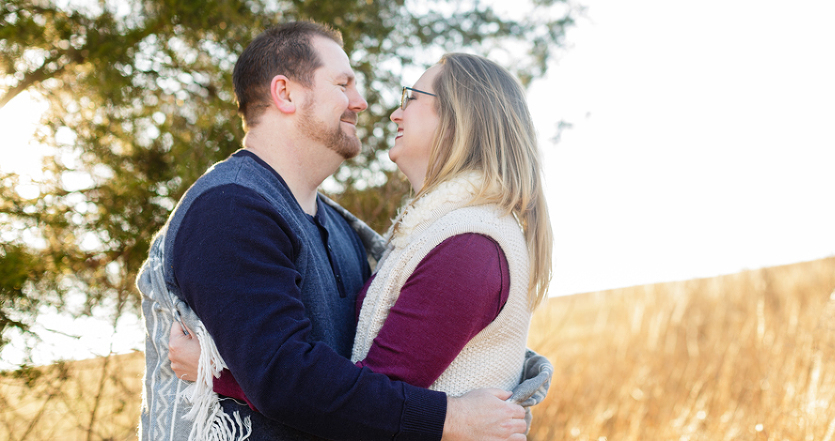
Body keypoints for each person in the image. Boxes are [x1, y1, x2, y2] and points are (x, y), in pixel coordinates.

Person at [137, 22, 538, 441]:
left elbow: (358, 377)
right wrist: (451, 419)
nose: (362, 103)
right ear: (286, 93)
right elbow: (286, 380)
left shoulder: (348, 233)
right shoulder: (230, 209)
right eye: (343, 83)